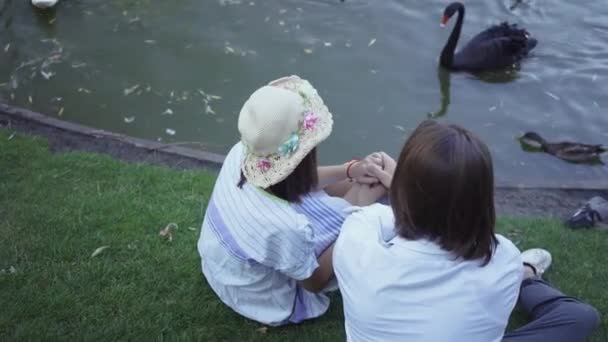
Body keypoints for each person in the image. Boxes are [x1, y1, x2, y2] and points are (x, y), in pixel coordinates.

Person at [333, 120, 600, 342]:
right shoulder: (503, 259)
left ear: (404, 190)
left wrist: (400, 186)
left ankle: (527, 275)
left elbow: (377, 216)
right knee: (579, 317)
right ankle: (528, 276)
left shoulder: (357, 239)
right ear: (482, 196)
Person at [197, 75, 386, 326]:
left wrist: (348, 170)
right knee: (357, 212)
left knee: (353, 187)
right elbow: (313, 283)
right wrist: (360, 209)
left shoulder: (242, 153)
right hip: (258, 298)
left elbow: (296, 182)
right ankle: (360, 199)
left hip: (220, 268)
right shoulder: (288, 228)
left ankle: (359, 192)